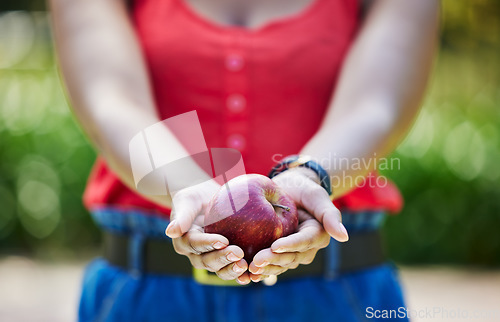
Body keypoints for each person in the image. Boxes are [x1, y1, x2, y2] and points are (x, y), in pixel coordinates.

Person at [49, 0, 439, 320]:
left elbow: (375, 107)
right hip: (149, 290)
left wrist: (310, 176)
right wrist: (188, 185)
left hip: (338, 291)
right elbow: (111, 103)